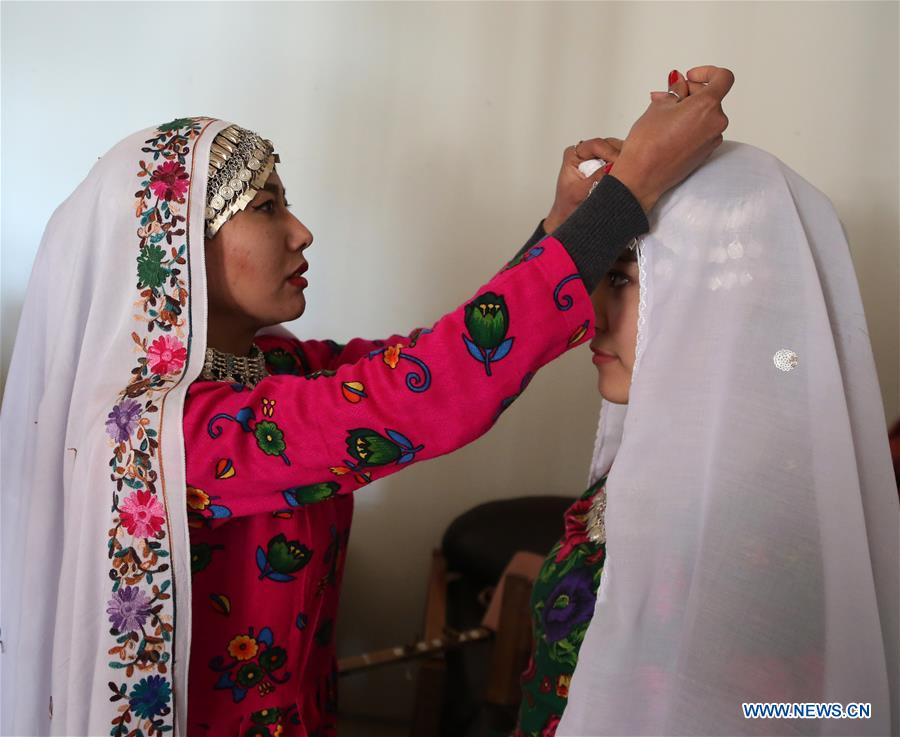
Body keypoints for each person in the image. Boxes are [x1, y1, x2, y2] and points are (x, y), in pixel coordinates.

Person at [0, 67, 732, 737]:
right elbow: (423, 394)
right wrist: (625, 193)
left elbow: (427, 364)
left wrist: (566, 230)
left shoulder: (269, 368)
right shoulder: (171, 435)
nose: (301, 231)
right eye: (266, 207)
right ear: (179, 245)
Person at [544, 141, 897, 737]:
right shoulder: (654, 461)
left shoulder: (775, 517)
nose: (592, 316)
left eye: (624, 281)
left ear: (720, 301)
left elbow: (844, 709)